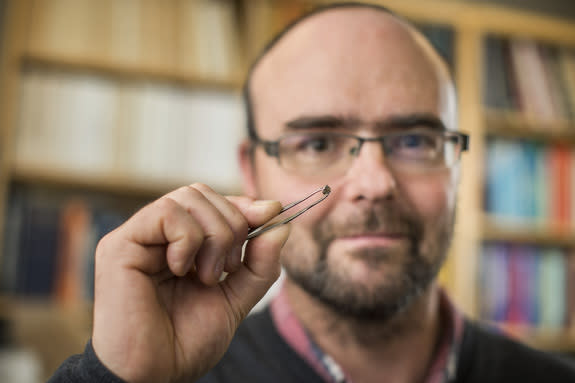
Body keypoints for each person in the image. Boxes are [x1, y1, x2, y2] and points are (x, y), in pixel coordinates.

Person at [48, 3, 575, 383]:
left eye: (415, 140)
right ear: (250, 171)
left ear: (460, 164)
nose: (373, 183)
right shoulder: (169, 371)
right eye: (318, 140)